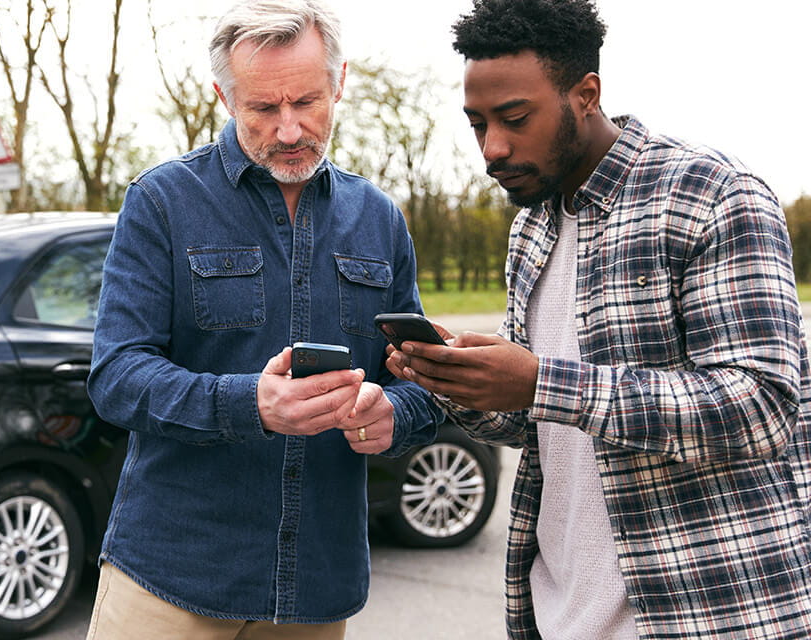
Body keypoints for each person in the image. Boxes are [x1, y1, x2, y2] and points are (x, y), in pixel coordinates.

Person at [385, 1, 811, 638]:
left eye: (515, 118)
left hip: (708, 614)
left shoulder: (714, 195)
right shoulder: (531, 228)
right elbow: (543, 429)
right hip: (562, 614)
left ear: (586, 94)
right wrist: (459, 382)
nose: (492, 148)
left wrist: (541, 382)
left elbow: (761, 407)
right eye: (476, 124)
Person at [84, 1, 442, 638]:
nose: (288, 130)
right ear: (224, 96)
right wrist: (251, 404)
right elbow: (116, 376)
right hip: (172, 582)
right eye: (263, 108)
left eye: (305, 102)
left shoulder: (380, 217)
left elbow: (421, 376)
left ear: (339, 82)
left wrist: (397, 415)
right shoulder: (161, 202)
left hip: (318, 586)